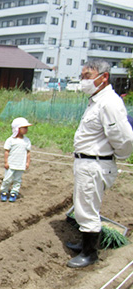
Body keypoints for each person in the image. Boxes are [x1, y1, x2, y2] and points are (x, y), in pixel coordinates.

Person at [67, 59, 133, 268]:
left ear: (103, 77)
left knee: (87, 208)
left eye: (88, 76)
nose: (83, 81)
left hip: (95, 164)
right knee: (84, 205)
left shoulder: (109, 103)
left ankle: (90, 253)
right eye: (82, 76)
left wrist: (118, 156)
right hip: (87, 163)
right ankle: (84, 244)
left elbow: (124, 139)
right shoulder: (96, 100)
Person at [0, 117, 32, 202]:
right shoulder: (11, 140)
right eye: (24, 128)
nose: (26, 130)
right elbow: (7, 152)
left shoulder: (27, 141)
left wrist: (27, 162)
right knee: (7, 179)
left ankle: (14, 192)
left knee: (18, 180)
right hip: (11, 164)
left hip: (20, 164)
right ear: (17, 129)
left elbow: (28, 152)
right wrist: (6, 162)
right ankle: (4, 191)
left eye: (26, 128)